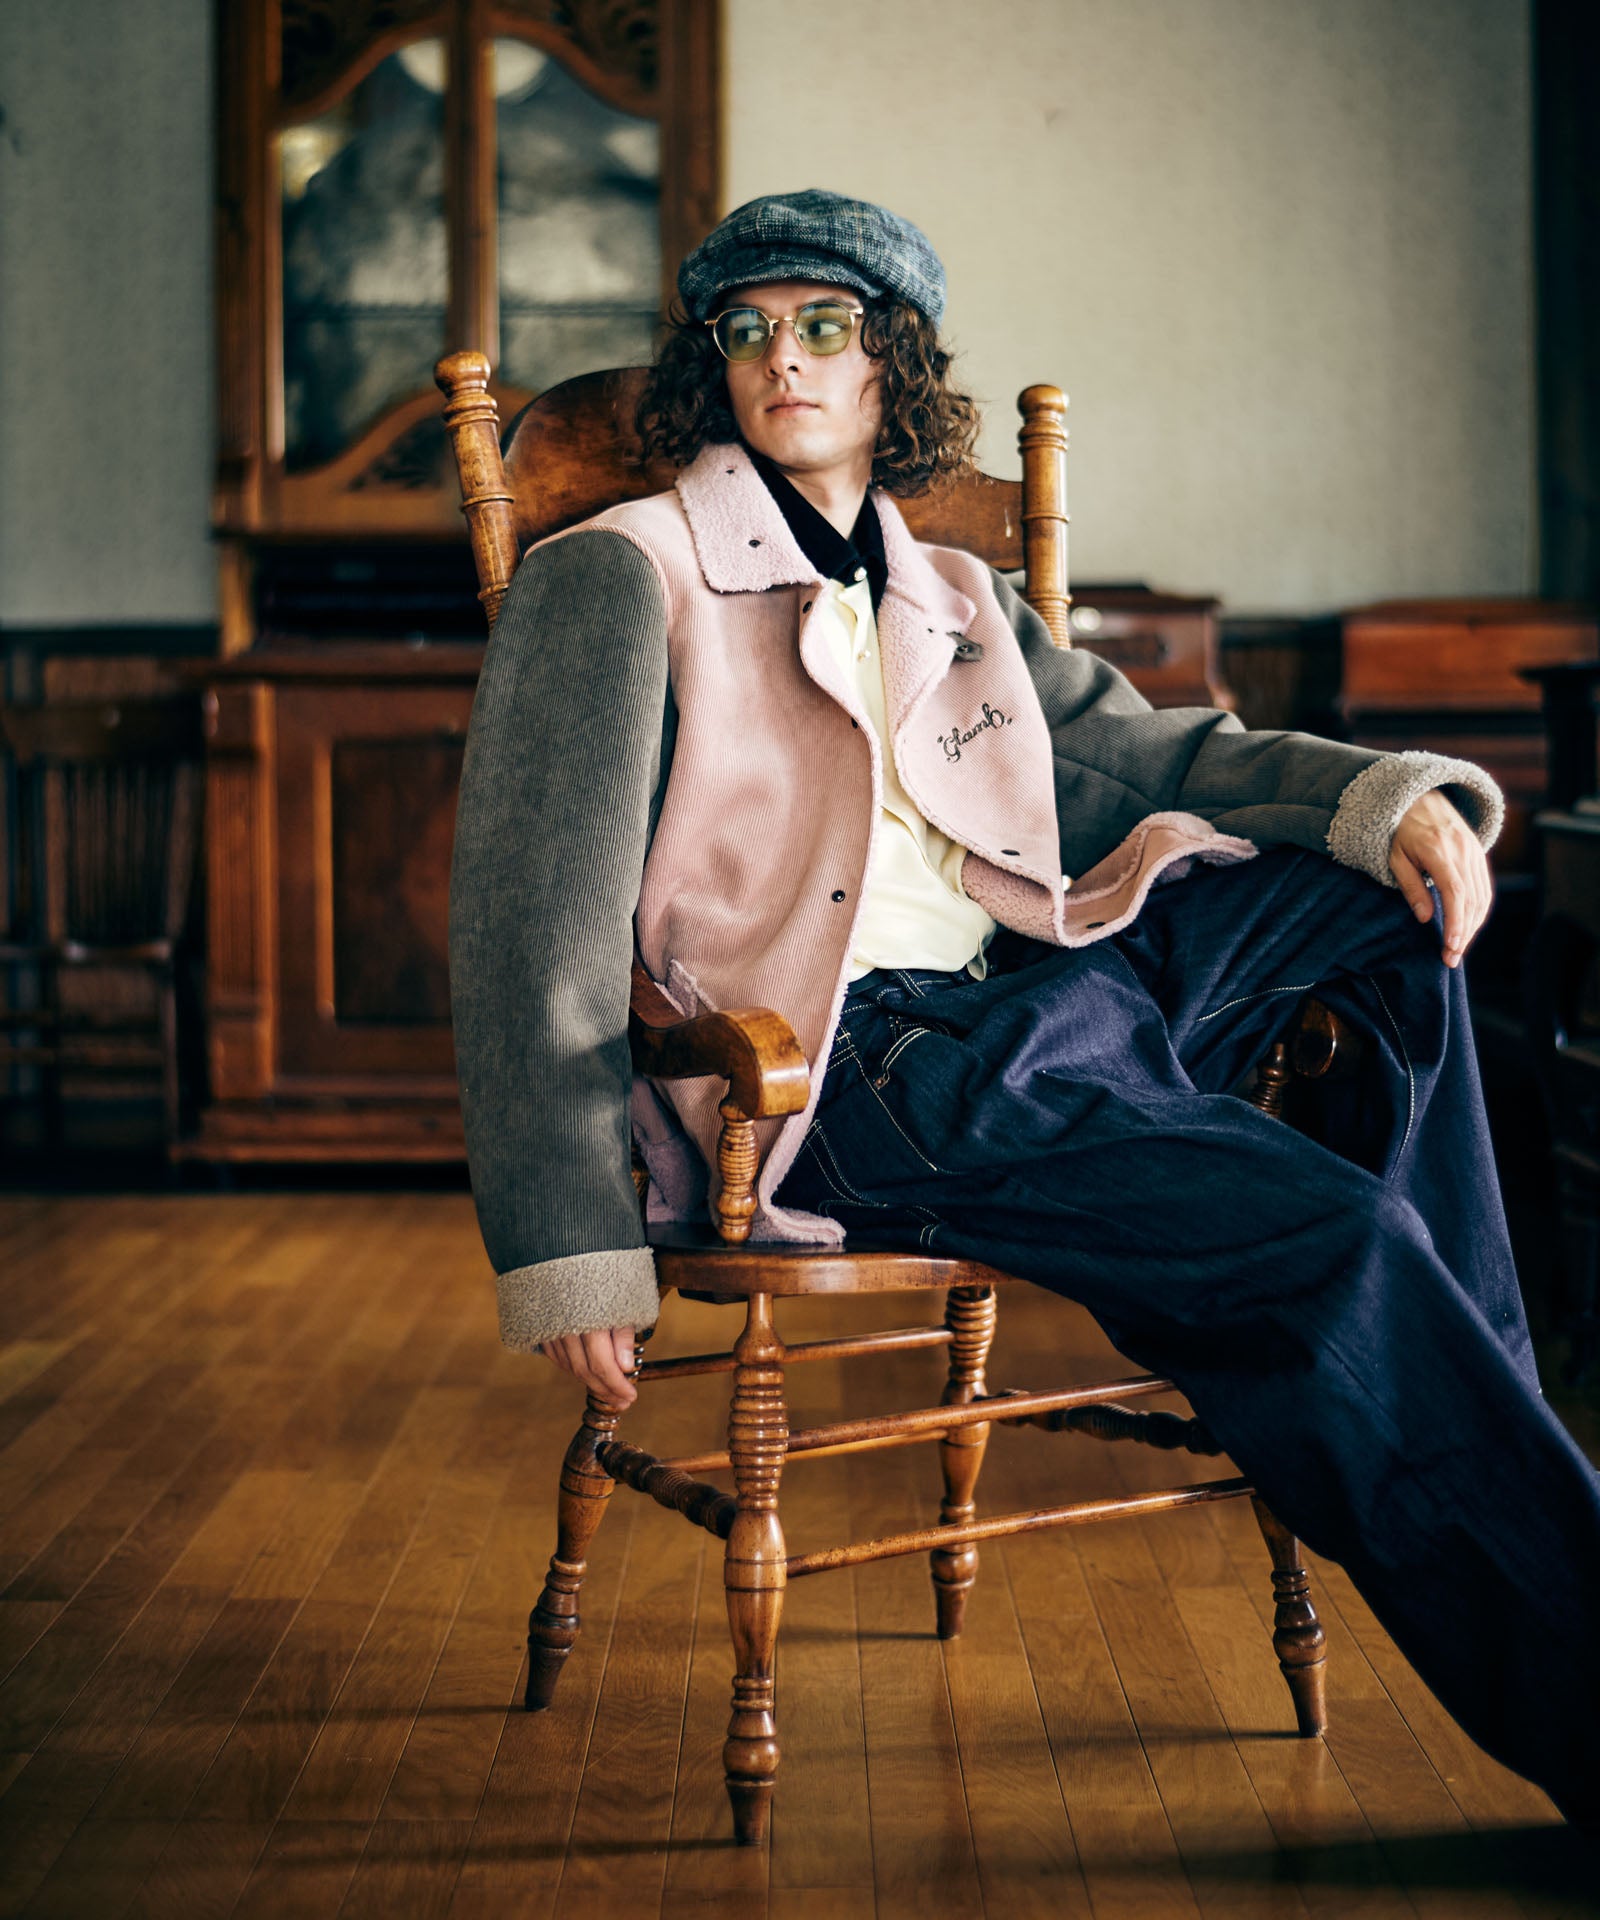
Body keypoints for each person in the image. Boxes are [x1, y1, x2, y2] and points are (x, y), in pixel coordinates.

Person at [449, 188, 1600, 1823]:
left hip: (1043, 988)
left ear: (892, 364)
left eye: (827, 325)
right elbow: (526, 928)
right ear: (717, 366)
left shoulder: (953, 590)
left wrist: (1388, 799)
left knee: (1385, 908)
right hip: (861, 1072)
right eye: (749, 330)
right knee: (1338, 1242)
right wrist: (567, 1237)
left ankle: (1457, 1388)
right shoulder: (620, 576)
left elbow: (1159, 752)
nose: (785, 358)